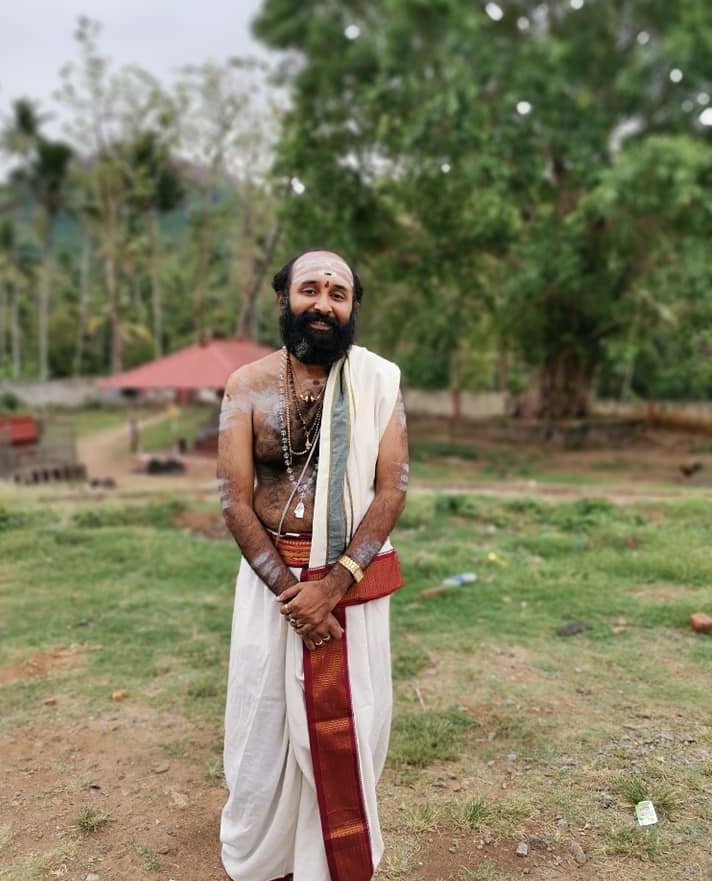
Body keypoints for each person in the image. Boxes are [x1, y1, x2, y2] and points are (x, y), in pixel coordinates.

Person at [216, 249, 409, 881]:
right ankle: (268, 862)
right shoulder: (246, 385)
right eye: (310, 289)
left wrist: (332, 586)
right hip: (271, 590)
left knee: (355, 725)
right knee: (263, 728)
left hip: (349, 589)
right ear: (284, 298)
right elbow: (234, 499)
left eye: (338, 293)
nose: (323, 304)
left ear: (352, 308)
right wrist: (291, 593)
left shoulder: (378, 383)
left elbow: (393, 488)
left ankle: (333, 862)